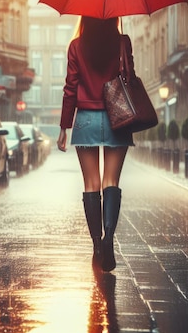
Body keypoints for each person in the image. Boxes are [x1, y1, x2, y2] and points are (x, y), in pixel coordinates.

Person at [57, 16, 134, 272]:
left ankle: (97, 246)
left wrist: (64, 127)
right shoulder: (123, 42)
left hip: (86, 120)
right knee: (111, 181)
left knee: (91, 183)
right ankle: (109, 236)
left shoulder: (76, 46)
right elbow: (129, 79)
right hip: (117, 117)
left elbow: (71, 87)